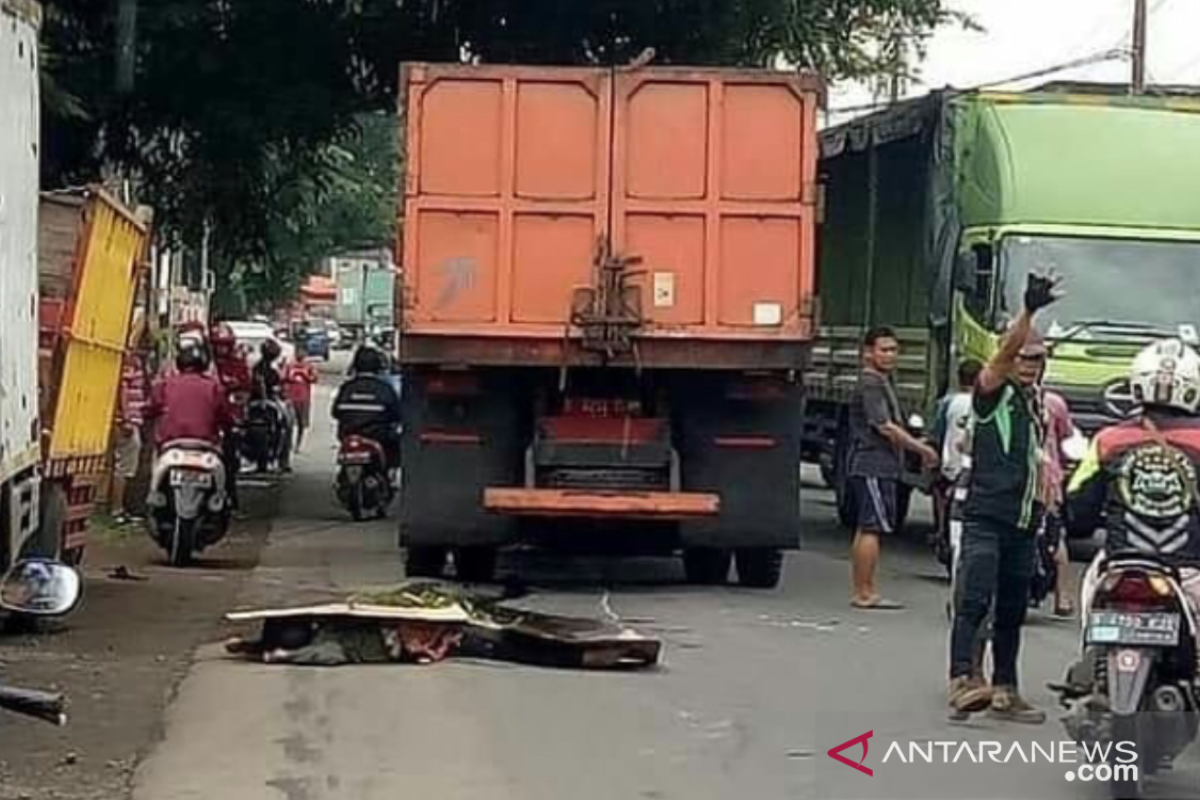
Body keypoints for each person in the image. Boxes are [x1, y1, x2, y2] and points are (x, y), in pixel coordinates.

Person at [946, 272, 1060, 724]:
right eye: (1025, 357)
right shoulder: (992, 393)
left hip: (1023, 520)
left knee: (1013, 608)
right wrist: (1029, 312)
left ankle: (1005, 689)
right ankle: (963, 680)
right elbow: (1003, 354)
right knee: (974, 599)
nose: (1031, 363)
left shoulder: (1037, 402)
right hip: (986, 516)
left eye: (1038, 358)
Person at [1067, 338, 1200, 649]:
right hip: (1188, 569)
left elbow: (1078, 509)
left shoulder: (1107, 440)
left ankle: (1094, 655)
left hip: (1119, 564)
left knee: (1090, 597)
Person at [847, 326, 940, 610]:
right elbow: (883, 426)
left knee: (868, 527)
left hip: (881, 463)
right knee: (871, 527)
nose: (889, 355)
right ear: (867, 353)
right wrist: (920, 449)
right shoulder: (871, 383)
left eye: (893, 350)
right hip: (873, 462)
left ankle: (864, 590)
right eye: (883, 349)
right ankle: (865, 592)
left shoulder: (882, 380)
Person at [143, 342, 236, 505]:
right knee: (228, 466)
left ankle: (155, 495)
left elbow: (150, 409)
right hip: (205, 444)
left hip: (171, 443)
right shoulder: (214, 387)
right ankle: (226, 498)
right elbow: (225, 415)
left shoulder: (165, 385)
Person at [932, 359, 984, 551]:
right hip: (974, 469)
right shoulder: (986, 404)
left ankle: (940, 532)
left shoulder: (948, 402)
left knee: (939, 490)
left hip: (950, 466)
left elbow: (937, 432)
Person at [332, 345, 402, 473]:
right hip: (378, 437)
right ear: (378, 366)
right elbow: (397, 414)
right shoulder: (384, 389)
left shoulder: (347, 388)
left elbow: (335, 412)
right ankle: (389, 475)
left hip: (348, 435)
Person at [1040, 387, 1078, 618]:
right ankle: (1062, 596)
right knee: (1056, 534)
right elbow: (1066, 435)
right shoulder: (1054, 402)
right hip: (1049, 478)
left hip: (1037, 479)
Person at [111, 311, 150, 526]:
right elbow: (122, 387)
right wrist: (125, 417)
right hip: (127, 420)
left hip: (132, 418)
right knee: (124, 466)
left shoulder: (132, 357)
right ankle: (117, 510)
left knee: (126, 466)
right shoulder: (129, 358)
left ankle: (121, 509)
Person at [251, 338, 293, 472]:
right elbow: (278, 390)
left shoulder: (256, 368)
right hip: (267, 401)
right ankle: (283, 461)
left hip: (259, 402)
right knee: (288, 423)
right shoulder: (267, 370)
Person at [284, 352, 318, 453]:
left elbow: (314, 378)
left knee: (301, 423)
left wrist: (305, 375)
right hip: (291, 397)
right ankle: (289, 443)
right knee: (288, 423)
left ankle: (298, 445)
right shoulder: (289, 365)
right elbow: (283, 378)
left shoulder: (309, 366)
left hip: (304, 398)